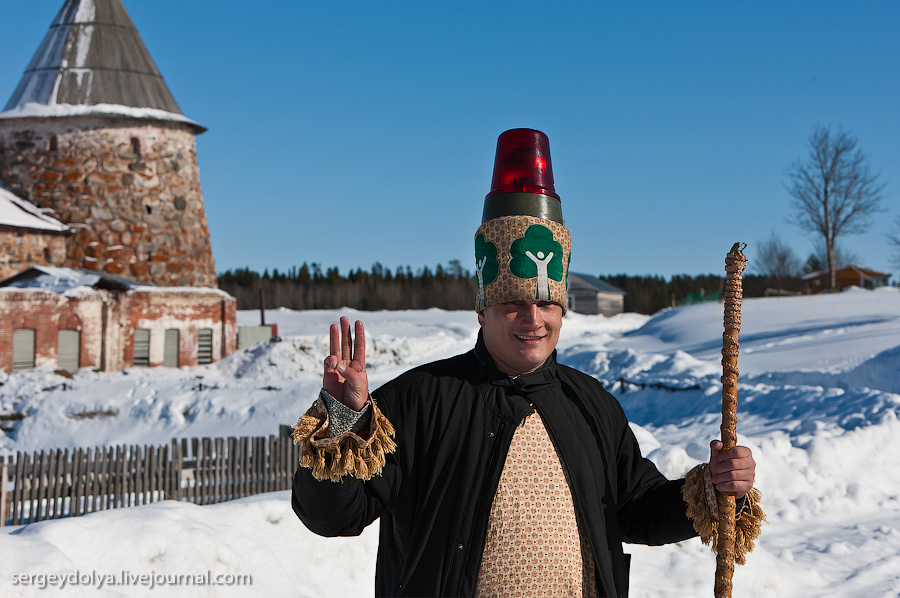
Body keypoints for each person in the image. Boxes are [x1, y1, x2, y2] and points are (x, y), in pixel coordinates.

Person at [291, 129, 762, 598]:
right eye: (514, 302)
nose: (533, 319)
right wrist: (343, 423)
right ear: (482, 309)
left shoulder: (591, 404)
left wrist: (717, 489)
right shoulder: (420, 399)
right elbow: (335, 516)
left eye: (547, 304)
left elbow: (636, 508)